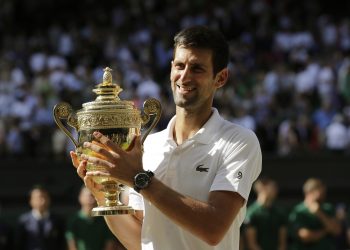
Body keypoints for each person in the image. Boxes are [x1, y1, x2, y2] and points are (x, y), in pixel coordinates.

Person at [70, 25, 262, 250]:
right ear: (171, 69)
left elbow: (213, 228)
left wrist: (139, 178)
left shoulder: (239, 141)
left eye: (197, 68)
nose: (185, 76)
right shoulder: (149, 144)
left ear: (220, 78)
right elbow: (140, 240)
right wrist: (102, 195)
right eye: (180, 65)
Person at [288, 178, 341, 250]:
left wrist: (320, 214)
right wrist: (326, 231)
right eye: (320, 190)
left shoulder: (328, 208)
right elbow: (305, 237)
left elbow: (337, 230)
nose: (324, 193)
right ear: (310, 192)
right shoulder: (298, 211)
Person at [66, 185, 123, 250]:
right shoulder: (73, 220)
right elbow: (71, 244)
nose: (90, 199)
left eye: (92, 196)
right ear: (80, 197)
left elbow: (109, 243)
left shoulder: (105, 220)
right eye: (87, 196)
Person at [15, 185, 66, 250]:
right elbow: (19, 244)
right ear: (31, 201)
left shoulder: (58, 220)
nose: (42, 201)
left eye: (45, 197)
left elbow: (61, 243)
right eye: (39, 198)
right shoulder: (23, 221)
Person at [243, 177, 288, 250]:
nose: (275, 190)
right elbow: (251, 244)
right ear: (262, 188)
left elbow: (282, 243)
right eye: (272, 187)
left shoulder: (279, 213)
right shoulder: (251, 213)